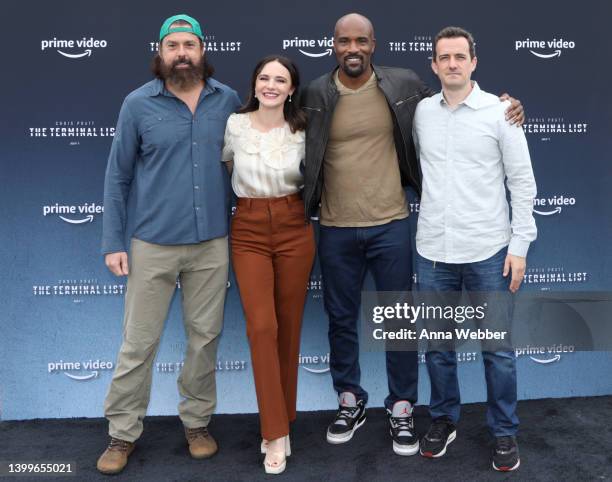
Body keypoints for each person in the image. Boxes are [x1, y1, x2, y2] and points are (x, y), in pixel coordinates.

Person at [300, 13, 525, 456]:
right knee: (347, 322)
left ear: (373, 44)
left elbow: (468, 113)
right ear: (333, 45)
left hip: (398, 227)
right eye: (344, 40)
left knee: (405, 325)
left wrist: (510, 105)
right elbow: (277, 118)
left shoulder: (404, 88)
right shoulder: (314, 93)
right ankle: (354, 402)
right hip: (341, 228)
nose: (353, 48)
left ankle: (406, 407)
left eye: (361, 40)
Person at [97, 14, 240, 474]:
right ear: (160, 52)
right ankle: (121, 433)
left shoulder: (229, 101)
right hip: (151, 244)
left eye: (189, 45)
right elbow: (118, 177)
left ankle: (197, 423)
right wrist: (112, 241)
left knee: (204, 339)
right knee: (138, 344)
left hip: (211, 245)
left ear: (203, 50)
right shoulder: (137, 104)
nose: (182, 53)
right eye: (173, 45)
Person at [413, 26, 536, 472]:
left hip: (488, 250)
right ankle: (443, 420)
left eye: (459, 57)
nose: (452, 64)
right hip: (433, 252)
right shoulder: (422, 113)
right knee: (438, 348)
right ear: (433, 64)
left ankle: (504, 432)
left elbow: (521, 182)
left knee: (498, 350)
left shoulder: (501, 112)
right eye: (443, 57)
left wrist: (519, 246)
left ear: (474, 62)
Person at [222, 55, 315, 475]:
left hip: (295, 226)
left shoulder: (305, 129)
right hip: (249, 228)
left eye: (281, 79)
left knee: (288, 327)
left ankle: (282, 422)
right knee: (261, 327)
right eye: (264, 78)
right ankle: (275, 432)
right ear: (254, 84)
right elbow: (228, 165)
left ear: (292, 88)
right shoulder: (235, 125)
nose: (271, 85)